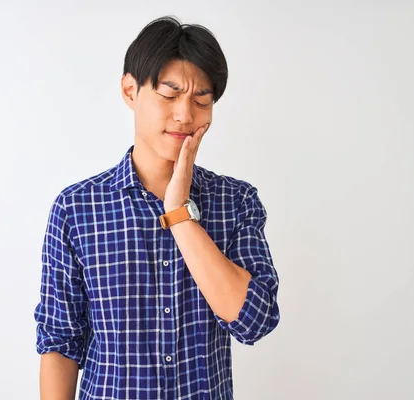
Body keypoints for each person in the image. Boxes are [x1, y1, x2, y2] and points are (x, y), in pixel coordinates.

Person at [34, 15, 280, 400]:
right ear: (130, 91)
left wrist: (180, 214)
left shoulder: (237, 201)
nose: (185, 115)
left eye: (202, 100)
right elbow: (60, 343)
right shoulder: (77, 208)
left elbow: (255, 321)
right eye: (169, 94)